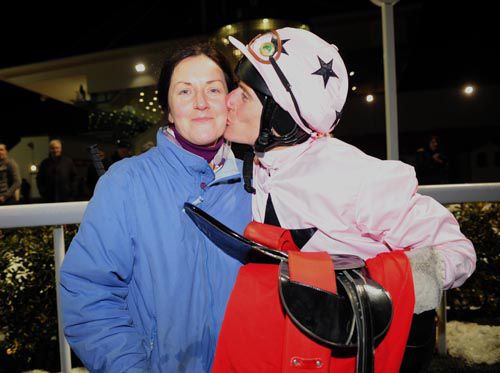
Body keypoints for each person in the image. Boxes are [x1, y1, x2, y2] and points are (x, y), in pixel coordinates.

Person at [216, 27, 476, 372]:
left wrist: (367, 289)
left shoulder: (354, 176)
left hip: (350, 351)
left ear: (281, 116)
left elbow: (456, 251)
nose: (228, 100)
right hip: (292, 342)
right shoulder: (265, 162)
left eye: (245, 95)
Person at [59, 42, 252, 372]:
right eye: (185, 92)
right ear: (168, 108)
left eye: (214, 89)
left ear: (230, 102)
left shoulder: (258, 185)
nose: (201, 103)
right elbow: (88, 294)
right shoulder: (126, 183)